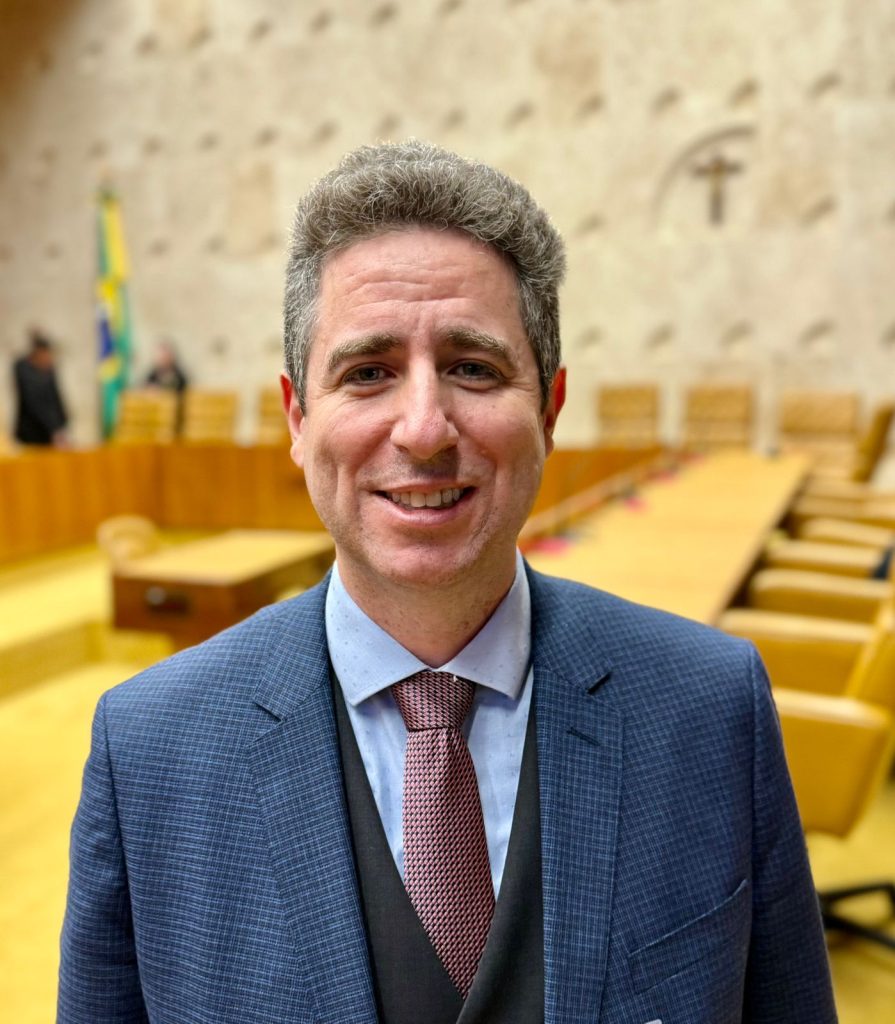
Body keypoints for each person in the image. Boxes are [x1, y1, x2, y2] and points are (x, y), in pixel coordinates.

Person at [59, 142, 837, 1023]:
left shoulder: (710, 708)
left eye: (473, 368)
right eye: (367, 373)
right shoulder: (149, 752)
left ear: (548, 409)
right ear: (297, 418)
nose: (424, 429)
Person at [12, 330, 69, 446]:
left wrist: (61, 425)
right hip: (31, 432)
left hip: (50, 433)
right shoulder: (23, 369)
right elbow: (33, 401)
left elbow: (55, 397)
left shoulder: (49, 370)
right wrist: (53, 427)